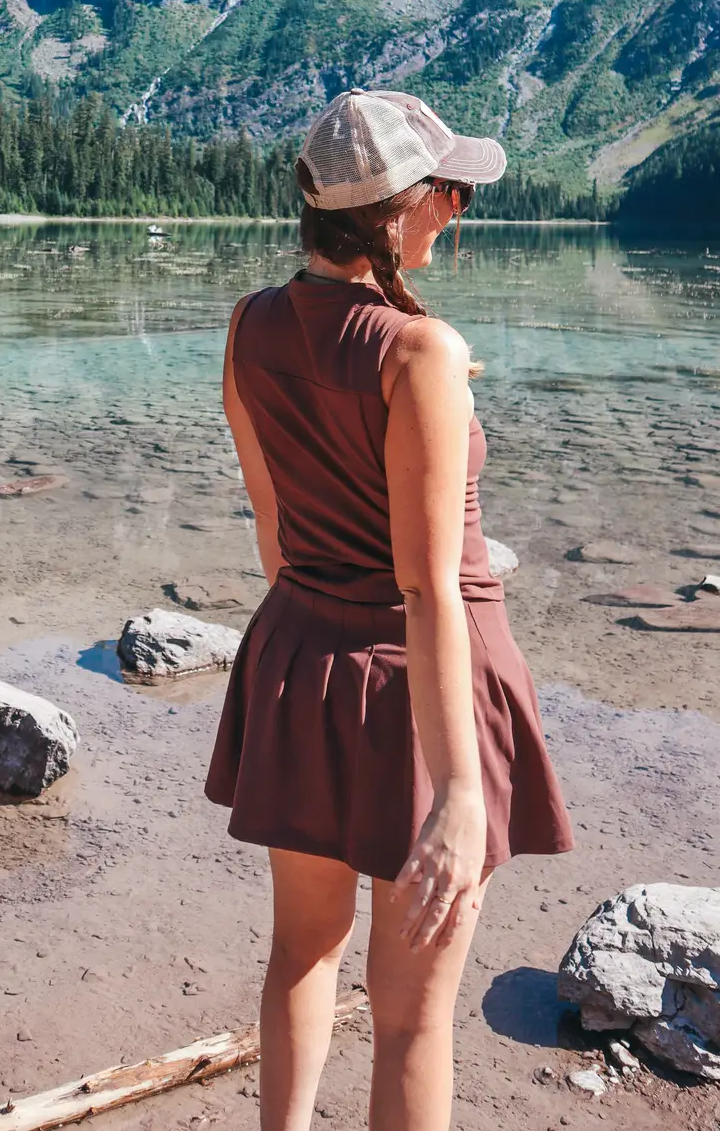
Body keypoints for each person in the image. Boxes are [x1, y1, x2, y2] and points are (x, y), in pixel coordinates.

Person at [206, 89, 572, 1131]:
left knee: (302, 951)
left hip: (300, 660)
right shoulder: (421, 353)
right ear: (399, 214)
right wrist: (461, 790)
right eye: (450, 194)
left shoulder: (250, 324)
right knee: (413, 1016)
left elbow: (274, 535)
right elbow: (429, 587)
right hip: (420, 688)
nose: (457, 211)